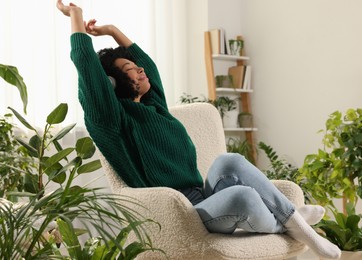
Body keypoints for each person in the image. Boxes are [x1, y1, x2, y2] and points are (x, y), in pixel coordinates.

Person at [56, 1, 341, 259]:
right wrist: (77, 17)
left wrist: (113, 31)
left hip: (204, 197)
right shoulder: (112, 121)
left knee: (228, 161)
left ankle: (292, 223)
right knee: (243, 197)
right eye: (130, 69)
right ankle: (293, 226)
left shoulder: (155, 106)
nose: (140, 70)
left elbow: (149, 66)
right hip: (181, 213)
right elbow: (87, 68)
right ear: (113, 81)